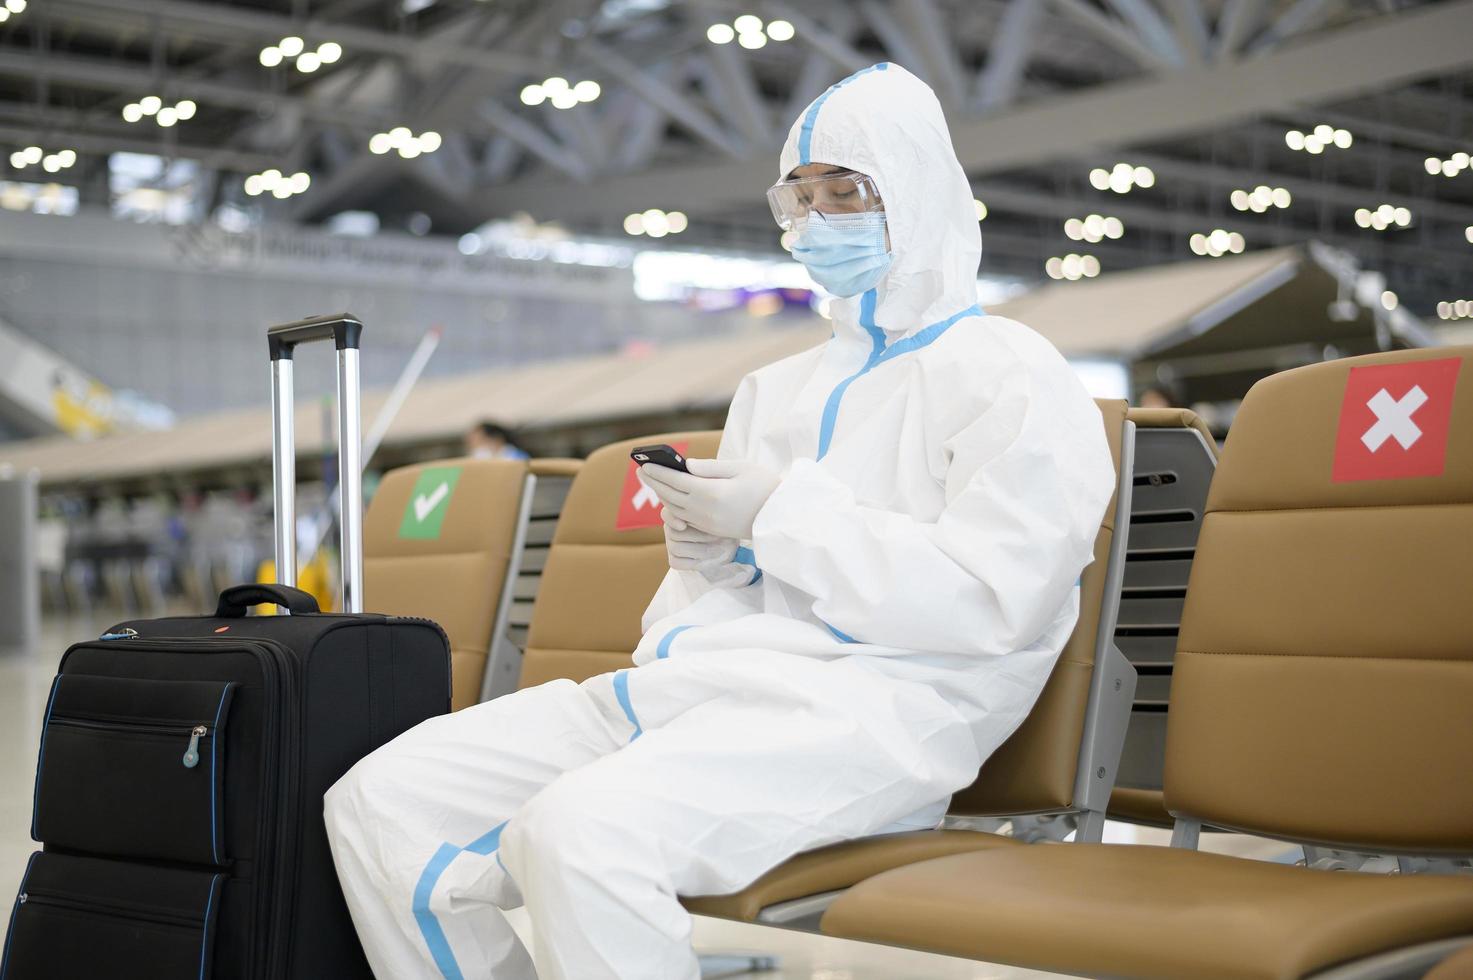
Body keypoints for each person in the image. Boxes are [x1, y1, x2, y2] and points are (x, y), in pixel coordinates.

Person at [324, 62, 1115, 980]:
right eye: (800, 197)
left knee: (582, 834)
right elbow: (711, 599)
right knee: (382, 800)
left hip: (876, 716)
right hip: (691, 696)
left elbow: (992, 602)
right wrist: (720, 561)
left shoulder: (1011, 373)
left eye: (845, 193)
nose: (816, 221)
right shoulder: (774, 388)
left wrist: (779, 516)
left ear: (919, 193)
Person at [465, 420, 530, 460]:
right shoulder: (481, 456)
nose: (474, 445)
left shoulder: (516, 456)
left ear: (495, 439)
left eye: (479, 440)